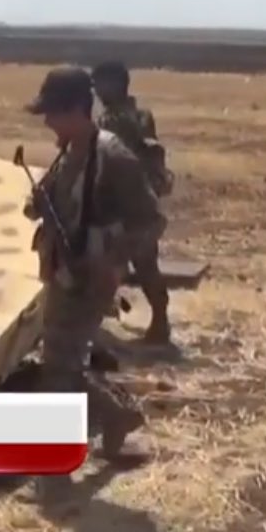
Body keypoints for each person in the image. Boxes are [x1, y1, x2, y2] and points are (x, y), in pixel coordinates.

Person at [22, 66, 161, 471]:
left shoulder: (112, 156)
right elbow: (53, 198)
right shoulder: (71, 149)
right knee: (61, 361)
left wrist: (110, 257)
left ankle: (80, 437)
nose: (47, 121)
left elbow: (150, 220)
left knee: (59, 366)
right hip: (64, 270)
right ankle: (111, 421)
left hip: (90, 276)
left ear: (76, 110)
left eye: (52, 112)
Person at [90, 61, 174, 344]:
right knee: (108, 262)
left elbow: (147, 151)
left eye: (100, 83)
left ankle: (160, 323)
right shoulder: (109, 118)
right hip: (112, 203)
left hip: (134, 204)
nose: (97, 90)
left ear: (116, 84)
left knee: (145, 264)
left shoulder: (134, 118)